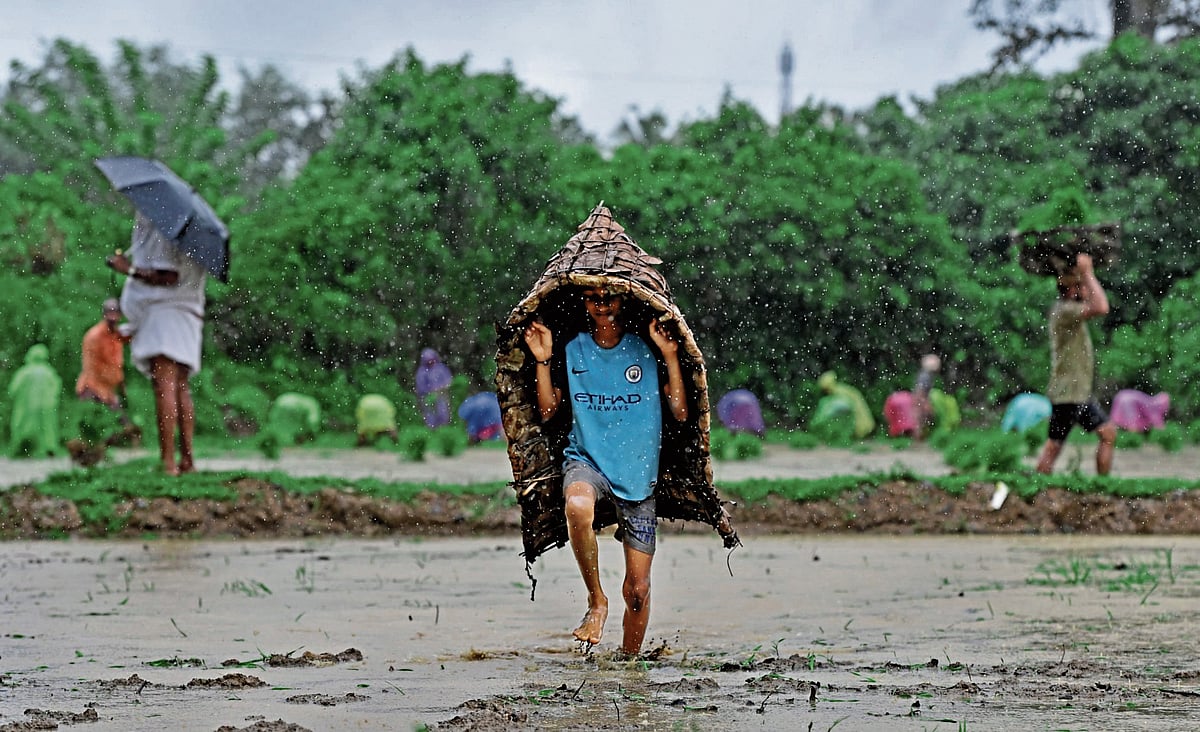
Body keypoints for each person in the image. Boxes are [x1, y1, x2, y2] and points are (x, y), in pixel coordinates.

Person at [523, 285, 689, 657]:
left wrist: (671, 355)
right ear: (584, 304)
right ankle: (596, 601)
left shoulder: (647, 349)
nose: (602, 305)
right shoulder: (572, 350)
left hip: (638, 475)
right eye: (593, 297)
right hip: (587, 460)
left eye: (609, 297)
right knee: (578, 506)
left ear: (622, 301)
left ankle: (630, 665)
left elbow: (679, 411)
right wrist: (542, 360)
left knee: (638, 590)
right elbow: (549, 410)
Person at [106, 212, 206, 476]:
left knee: (165, 385)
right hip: (187, 315)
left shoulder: (163, 224)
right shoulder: (194, 232)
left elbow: (168, 276)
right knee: (180, 386)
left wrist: (127, 269)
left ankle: (168, 462)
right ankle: (186, 459)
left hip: (166, 315)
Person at [1035, 253, 1117, 475]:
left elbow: (1094, 302)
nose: (1085, 291)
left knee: (1054, 445)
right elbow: (1101, 307)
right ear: (1072, 290)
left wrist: (1085, 275)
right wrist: (1088, 273)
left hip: (1069, 391)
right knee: (1107, 433)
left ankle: (1038, 487)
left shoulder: (1066, 312)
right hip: (1071, 393)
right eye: (1080, 287)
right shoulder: (1066, 311)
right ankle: (1103, 485)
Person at [75, 299, 131, 411]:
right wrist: (104, 396)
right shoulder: (94, 336)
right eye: (110, 312)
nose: (113, 316)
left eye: (115, 312)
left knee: (123, 424)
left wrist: (122, 392)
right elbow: (91, 367)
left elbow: (116, 367)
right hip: (91, 391)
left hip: (108, 392)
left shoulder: (116, 335)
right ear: (104, 314)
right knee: (102, 424)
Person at [8, 343, 62, 457]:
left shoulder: (24, 372)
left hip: (26, 406)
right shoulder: (49, 372)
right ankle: (49, 449)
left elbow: (13, 389)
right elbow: (57, 388)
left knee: (21, 426)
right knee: (48, 427)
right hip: (47, 406)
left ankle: (22, 449)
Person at [415, 348, 452, 428]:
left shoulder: (441, 368)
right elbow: (421, 387)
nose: (431, 362)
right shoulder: (422, 372)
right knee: (431, 417)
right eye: (428, 361)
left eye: (432, 360)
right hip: (428, 398)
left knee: (443, 414)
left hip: (442, 395)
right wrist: (430, 392)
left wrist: (442, 389)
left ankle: (444, 430)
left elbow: (448, 381)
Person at [912, 353, 941, 439]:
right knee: (921, 418)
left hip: (920, 398)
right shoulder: (926, 376)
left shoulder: (925, 374)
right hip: (921, 398)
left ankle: (921, 438)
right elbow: (920, 391)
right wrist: (925, 403)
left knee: (921, 418)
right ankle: (919, 440)